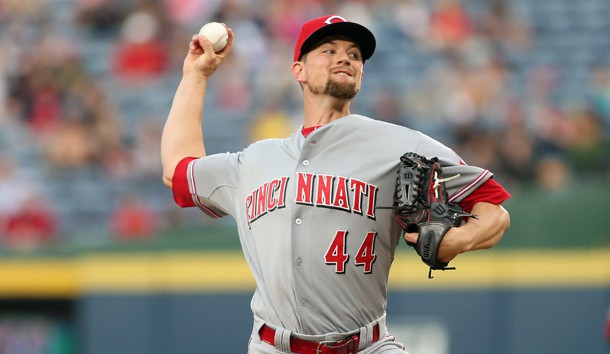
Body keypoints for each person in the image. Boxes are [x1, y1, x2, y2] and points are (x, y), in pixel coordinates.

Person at [161, 14, 511, 354]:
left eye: (354, 54)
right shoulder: (254, 161)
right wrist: (196, 74)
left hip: (366, 346)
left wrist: (460, 239)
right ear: (298, 70)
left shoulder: (401, 145)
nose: (344, 56)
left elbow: (494, 211)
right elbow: (177, 170)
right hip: (272, 347)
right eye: (328, 50)